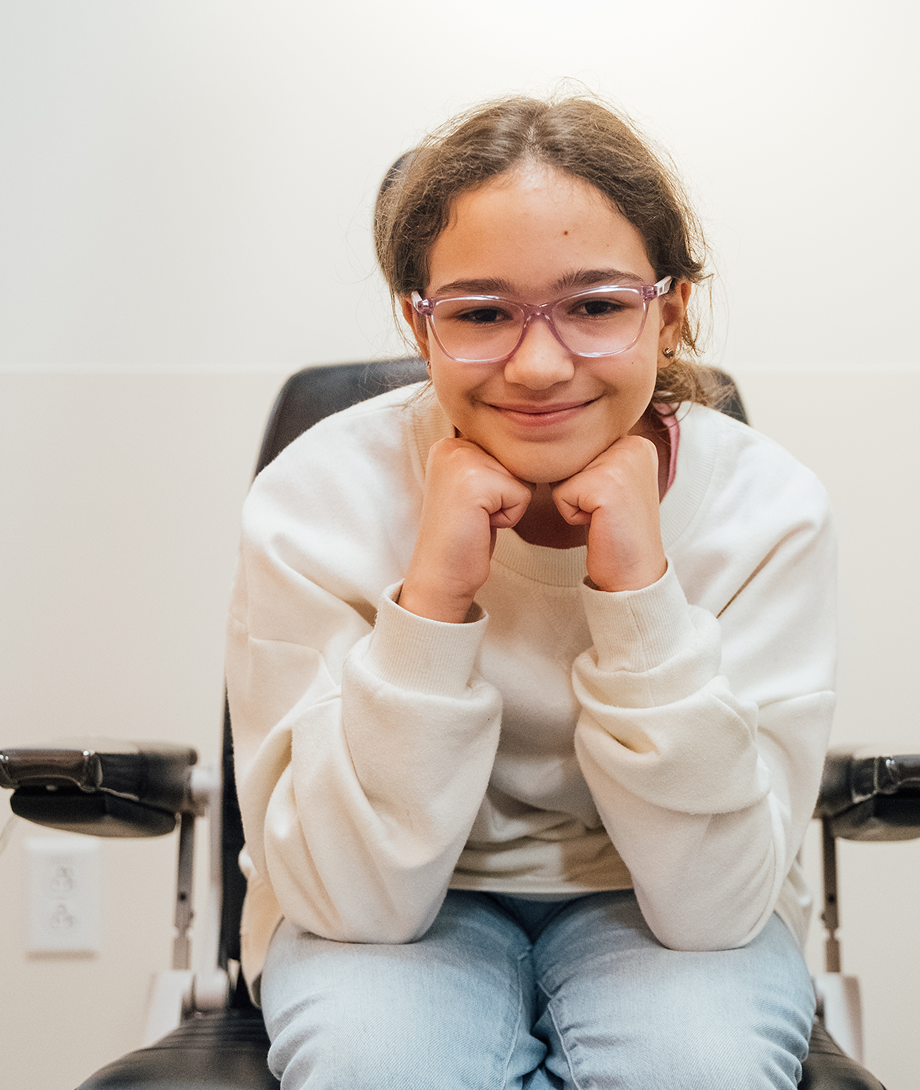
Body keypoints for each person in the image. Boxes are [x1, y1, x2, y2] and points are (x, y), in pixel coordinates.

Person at [226, 94, 836, 1089]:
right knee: (378, 1068)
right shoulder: (314, 498)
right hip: (394, 920)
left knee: (700, 1068)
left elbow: (714, 910)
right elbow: (352, 904)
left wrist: (637, 587)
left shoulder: (768, 511)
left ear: (668, 309)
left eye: (594, 305)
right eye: (480, 313)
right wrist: (432, 595)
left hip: (656, 911)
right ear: (417, 321)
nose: (539, 363)